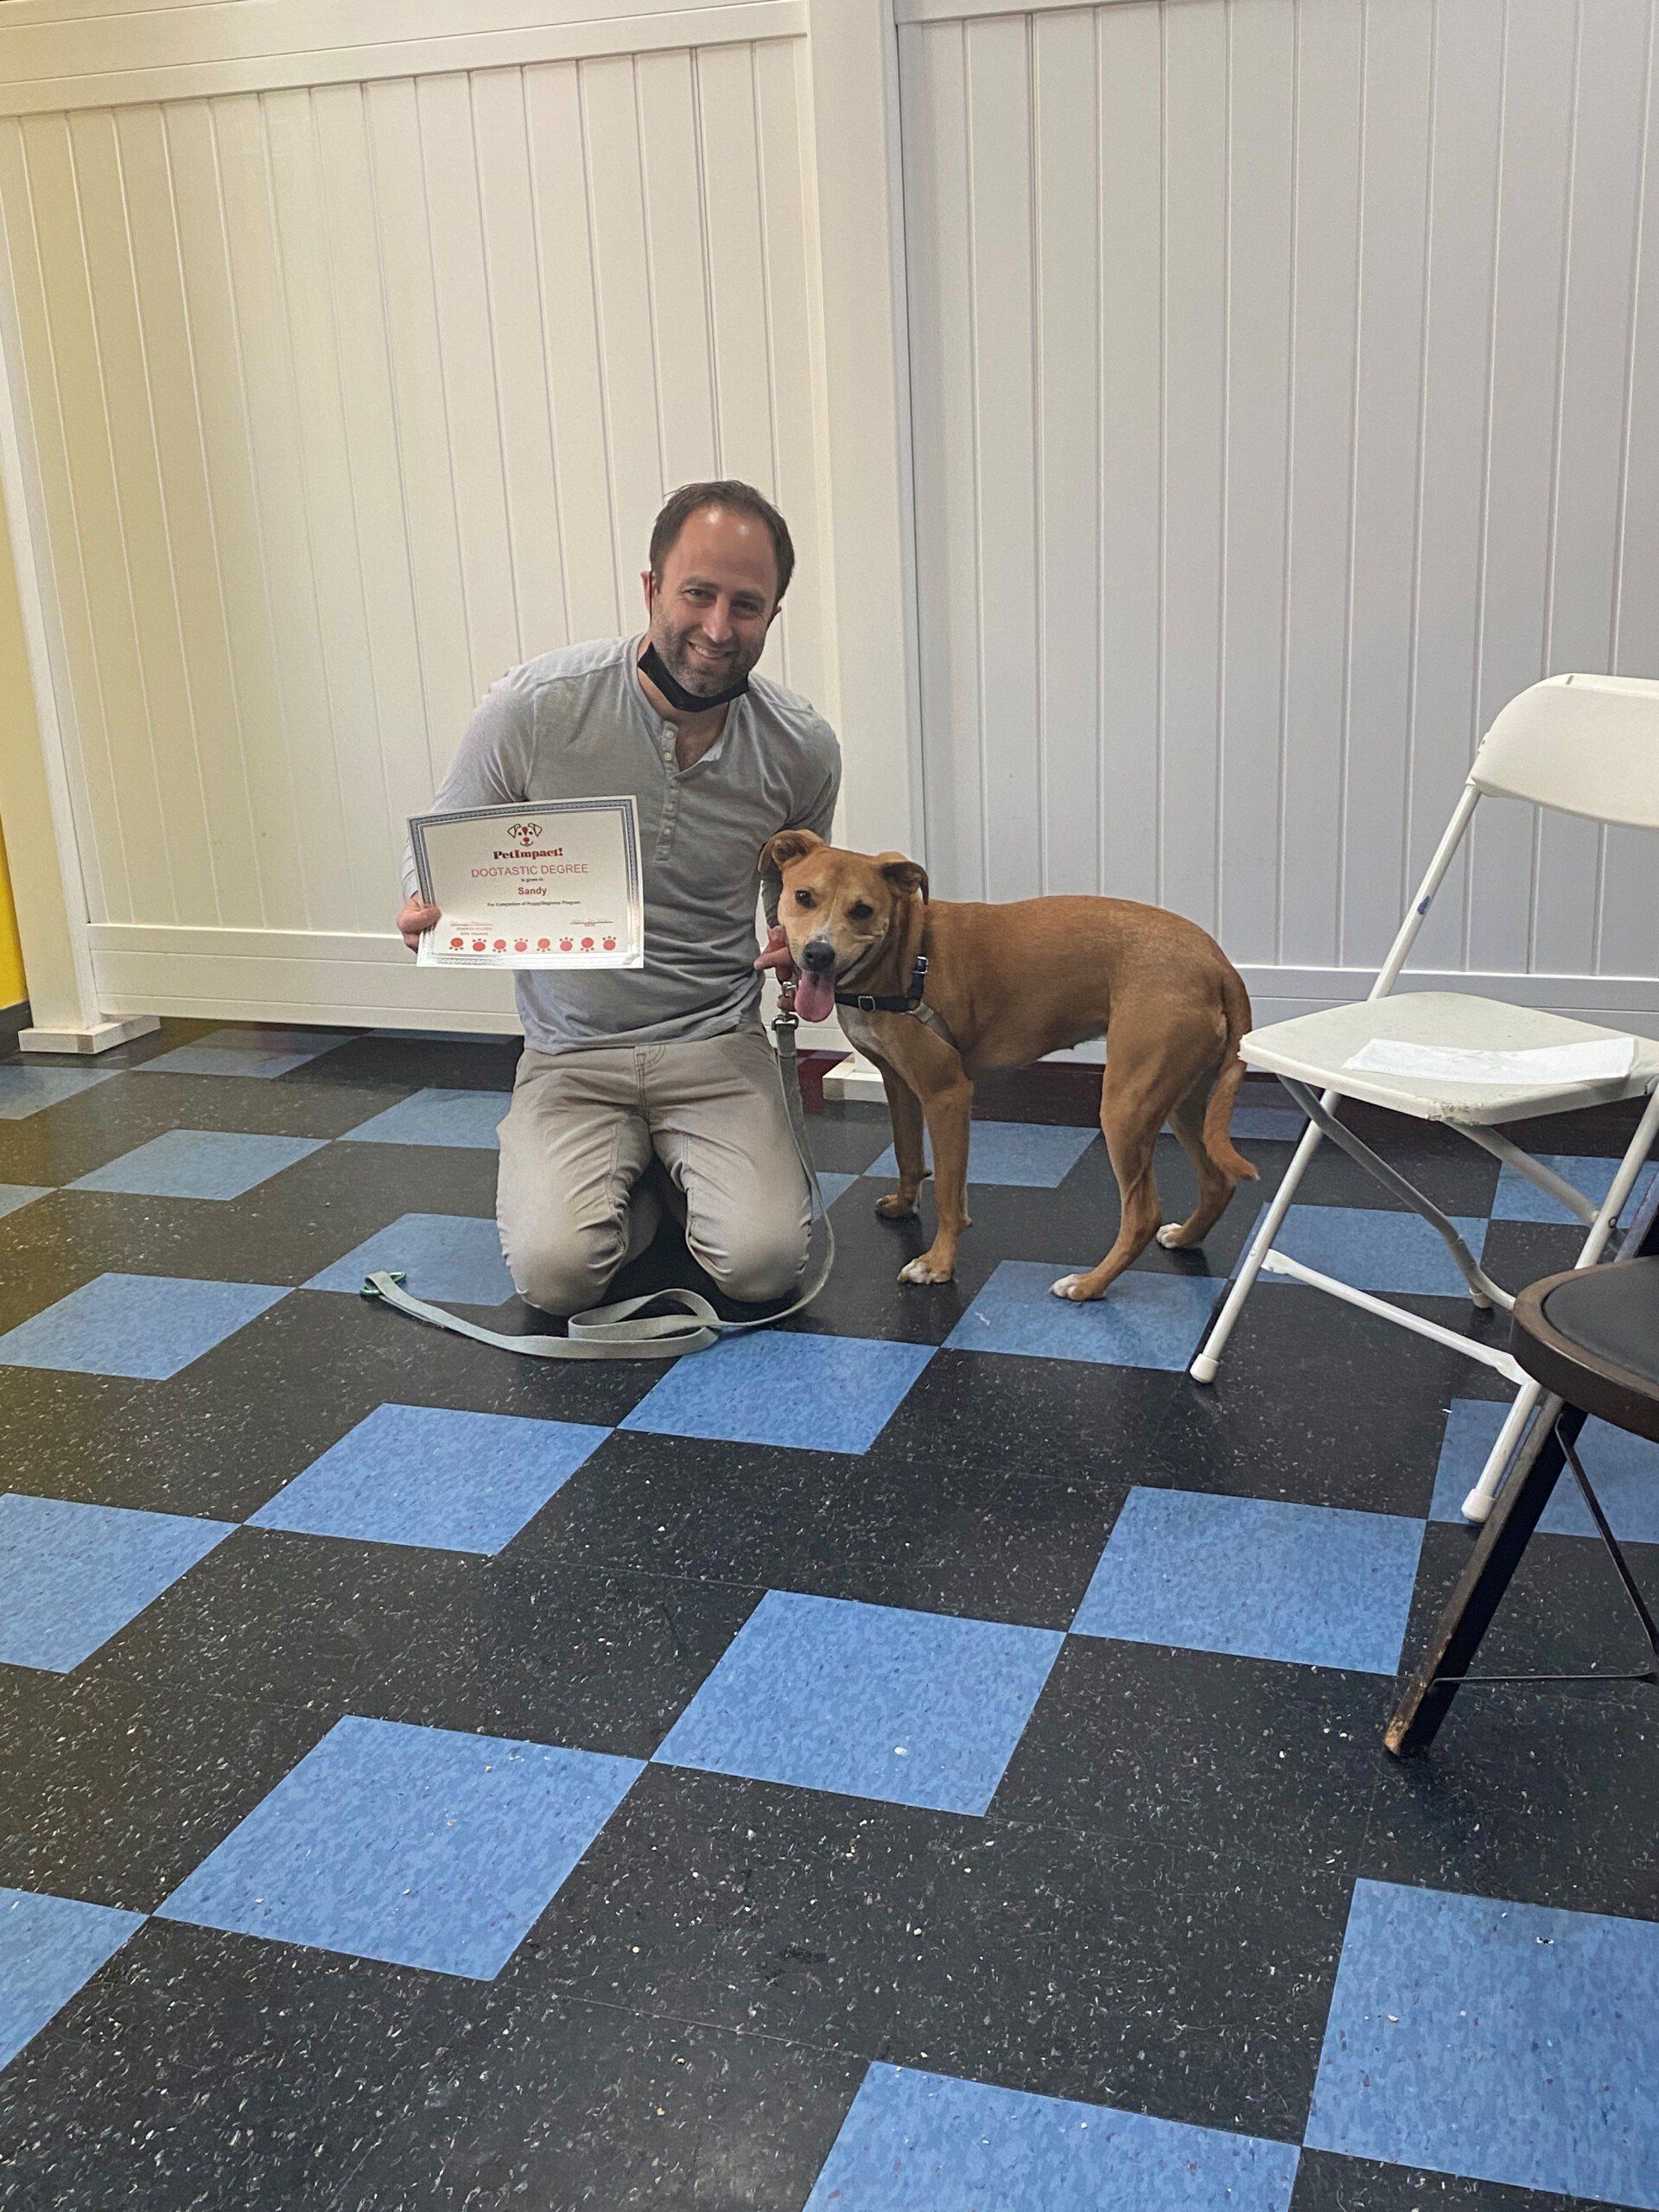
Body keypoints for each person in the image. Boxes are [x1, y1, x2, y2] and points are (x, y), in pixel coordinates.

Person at [396, 480, 841, 1319]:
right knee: (557, 1279)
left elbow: (797, 894)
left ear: (775, 614)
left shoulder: (804, 748)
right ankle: (646, 1186)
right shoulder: (533, 708)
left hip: (715, 1045)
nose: (717, 628)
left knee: (763, 1267)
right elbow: (441, 854)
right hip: (572, 1055)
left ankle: (676, 1181)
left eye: (746, 605)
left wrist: (795, 945)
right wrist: (426, 909)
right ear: (650, 590)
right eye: (697, 594)